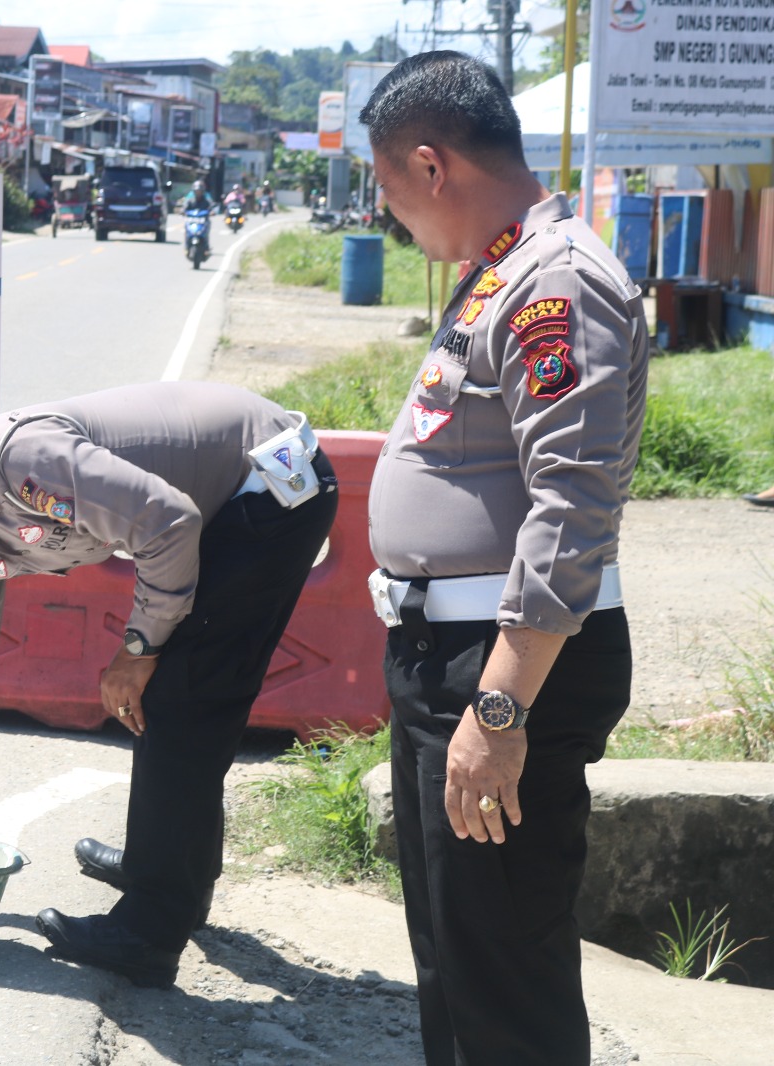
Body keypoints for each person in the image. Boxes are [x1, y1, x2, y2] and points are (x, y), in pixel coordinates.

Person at [0, 383, 339, 988]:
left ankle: (149, 929)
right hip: (219, 506)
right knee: (182, 696)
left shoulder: (21, 464)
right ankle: (166, 873)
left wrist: (138, 649)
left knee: (182, 695)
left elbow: (168, 524)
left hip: (269, 486)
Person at [360, 52, 648, 1065]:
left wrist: (498, 708)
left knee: (504, 976)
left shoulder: (552, 280)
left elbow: (572, 505)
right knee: (456, 956)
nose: (397, 224)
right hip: (454, 653)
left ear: (431, 166)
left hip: (502, 665)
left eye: (391, 195)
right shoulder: (501, 268)